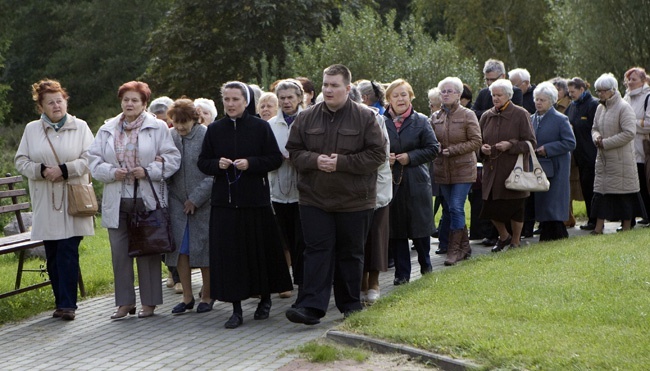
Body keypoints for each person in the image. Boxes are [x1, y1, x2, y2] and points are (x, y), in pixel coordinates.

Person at [284, 64, 386, 325]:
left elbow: (377, 155)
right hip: (314, 199)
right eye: (325, 85)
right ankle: (311, 307)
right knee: (316, 251)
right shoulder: (306, 118)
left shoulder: (366, 117)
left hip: (355, 200)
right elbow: (294, 152)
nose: (328, 90)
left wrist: (341, 163)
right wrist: (316, 160)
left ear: (348, 88)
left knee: (350, 254)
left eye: (334, 85)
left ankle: (350, 304)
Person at [197, 81, 292, 329]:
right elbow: (203, 162)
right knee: (231, 258)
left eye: (235, 99)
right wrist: (216, 164)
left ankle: (265, 299)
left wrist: (250, 164)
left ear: (246, 101)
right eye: (226, 99)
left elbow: (273, 159)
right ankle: (236, 309)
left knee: (258, 253)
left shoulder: (260, 127)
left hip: (254, 202)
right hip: (224, 204)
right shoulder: (215, 130)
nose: (230, 104)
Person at [88, 81, 181, 319]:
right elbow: (94, 161)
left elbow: (172, 158)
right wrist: (111, 172)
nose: (129, 104)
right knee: (119, 253)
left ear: (144, 104)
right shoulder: (107, 128)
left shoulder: (158, 127)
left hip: (146, 198)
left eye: (135, 100)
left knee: (148, 251)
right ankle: (124, 303)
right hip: (117, 199)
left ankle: (149, 303)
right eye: (126, 99)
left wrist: (149, 170)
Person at [14, 79, 95, 321]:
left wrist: (65, 169)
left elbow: (91, 157)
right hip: (46, 200)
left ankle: (68, 305)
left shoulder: (80, 127)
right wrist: (41, 170)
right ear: (41, 107)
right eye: (50, 102)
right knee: (53, 253)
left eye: (59, 100)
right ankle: (60, 302)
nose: (56, 105)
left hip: (72, 199)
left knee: (68, 250)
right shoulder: (31, 129)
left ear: (66, 101)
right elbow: (20, 161)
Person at [384, 78, 439, 285]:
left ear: (411, 97)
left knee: (420, 227)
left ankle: (426, 265)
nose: (400, 99)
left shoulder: (422, 121)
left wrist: (410, 157)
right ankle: (402, 273)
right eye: (395, 95)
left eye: (404, 94)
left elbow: (433, 149)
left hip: (416, 181)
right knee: (396, 230)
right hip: (391, 183)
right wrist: (385, 158)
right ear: (388, 99)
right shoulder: (381, 121)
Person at [165, 98, 214, 314]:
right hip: (177, 204)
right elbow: (165, 166)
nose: (181, 127)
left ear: (194, 119)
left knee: (203, 250)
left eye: (184, 122)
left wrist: (196, 198)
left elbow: (213, 173)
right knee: (180, 252)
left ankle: (208, 294)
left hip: (203, 204)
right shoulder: (170, 136)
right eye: (176, 122)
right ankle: (187, 296)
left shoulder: (206, 135)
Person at [479, 79, 536, 251]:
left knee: (516, 207)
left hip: (513, 170)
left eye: (499, 95)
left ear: (508, 96)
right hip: (492, 170)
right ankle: (504, 236)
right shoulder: (486, 116)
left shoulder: (520, 114)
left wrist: (510, 145)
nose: (495, 98)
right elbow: (478, 142)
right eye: (493, 95)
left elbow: (531, 143)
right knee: (489, 208)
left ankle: (515, 241)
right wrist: (483, 150)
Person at [430, 77, 481, 265]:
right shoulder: (435, 117)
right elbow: (429, 141)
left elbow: (476, 141)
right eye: (442, 91)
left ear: (459, 94)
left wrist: (453, 150)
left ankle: (454, 250)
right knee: (450, 209)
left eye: (449, 91)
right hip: (442, 170)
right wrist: (434, 148)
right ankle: (464, 246)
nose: (445, 94)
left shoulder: (468, 115)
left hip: (463, 169)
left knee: (456, 206)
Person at [350, 85, 392, 304]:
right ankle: (359, 282)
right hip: (346, 190)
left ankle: (373, 282)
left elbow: (380, 155)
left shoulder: (375, 119)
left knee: (375, 235)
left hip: (375, 187)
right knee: (354, 237)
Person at [590, 73, 646, 234]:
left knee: (624, 195)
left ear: (612, 90)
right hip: (603, 160)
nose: (600, 94)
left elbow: (629, 133)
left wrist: (606, 143)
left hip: (621, 160)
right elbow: (594, 128)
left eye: (603, 91)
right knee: (601, 194)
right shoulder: (600, 107)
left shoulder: (623, 107)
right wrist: (597, 138)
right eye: (598, 91)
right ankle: (598, 228)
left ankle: (627, 226)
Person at [267, 79, 306, 298]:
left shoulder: (309, 119)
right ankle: (284, 283)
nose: (286, 102)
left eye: (290, 97)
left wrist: (299, 159)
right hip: (278, 190)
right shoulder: (271, 124)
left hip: (304, 192)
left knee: (303, 240)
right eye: (282, 98)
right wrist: (276, 159)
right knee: (284, 241)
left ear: (300, 98)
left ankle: (303, 283)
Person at [530, 82, 576, 241]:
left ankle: (557, 233)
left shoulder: (560, 119)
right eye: (536, 99)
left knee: (554, 201)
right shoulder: (532, 119)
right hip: (539, 167)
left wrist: (548, 148)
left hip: (557, 167)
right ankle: (546, 231)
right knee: (542, 200)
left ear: (551, 101)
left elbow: (570, 143)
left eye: (542, 100)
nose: (538, 102)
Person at [565, 77, 599, 230]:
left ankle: (596, 220)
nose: (570, 94)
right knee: (586, 187)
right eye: (569, 92)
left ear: (581, 90)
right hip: (579, 155)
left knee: (593, 187)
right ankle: (591, 218)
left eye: (573, 91)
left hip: (592, 153)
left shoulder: (593, 105)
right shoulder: (572, 106)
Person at [622, 67, 650, 226]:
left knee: (645, 181)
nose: (630, 82)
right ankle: (636, 216)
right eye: (628, 79)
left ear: (643, 80)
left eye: (634, 79)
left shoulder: (648, 97)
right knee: (633, 183)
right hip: (628, 147)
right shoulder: (626, 97)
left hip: (644, 147)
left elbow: (648, 124)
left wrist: (629, 124)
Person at [551, 77, 580, 228]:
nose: (556, 92)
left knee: (569, 185)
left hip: (568, 152)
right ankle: (565, 216)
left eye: (559, 89)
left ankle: (567, 216)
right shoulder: (553, 106)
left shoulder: (568, 106)